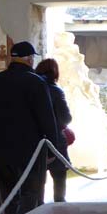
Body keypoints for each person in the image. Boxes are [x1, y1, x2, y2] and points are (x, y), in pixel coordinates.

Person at [0, 41, 60, 214]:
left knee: (8, 194)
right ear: (30, 59)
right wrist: (52, 148)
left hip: (0, 149)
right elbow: (46, 119)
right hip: (30, 150)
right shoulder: (36, 82)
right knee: (30, 193)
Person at [35, 58, 73, 203]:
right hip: (55, 139)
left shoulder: (31, 89)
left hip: (35, 139)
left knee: (37, 182)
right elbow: (66, 118)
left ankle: (38, 207)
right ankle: (59, 205)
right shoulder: (56, 91)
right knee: (59, 177)